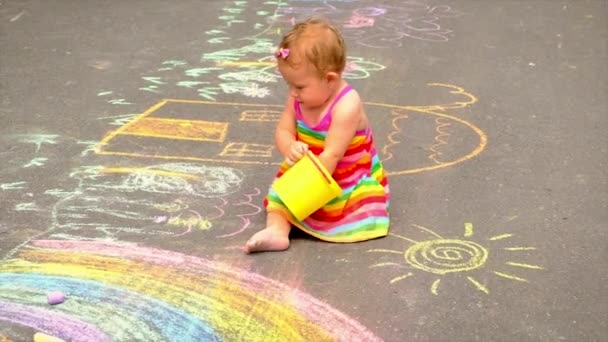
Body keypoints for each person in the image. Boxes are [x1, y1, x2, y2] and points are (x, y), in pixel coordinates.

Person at [244, 18, 390, 253]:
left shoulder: (346, 105)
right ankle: (277, 231)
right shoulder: (298, 98)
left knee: (329, 205)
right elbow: (283, 130)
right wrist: (289, 147)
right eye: (288, 84)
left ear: (330, 79)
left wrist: (303, 193)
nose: (293, 93)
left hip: (341, 178)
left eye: (299, 86)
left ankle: (296, 217)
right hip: (309, 169)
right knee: (279, 196)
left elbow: (332, 155)